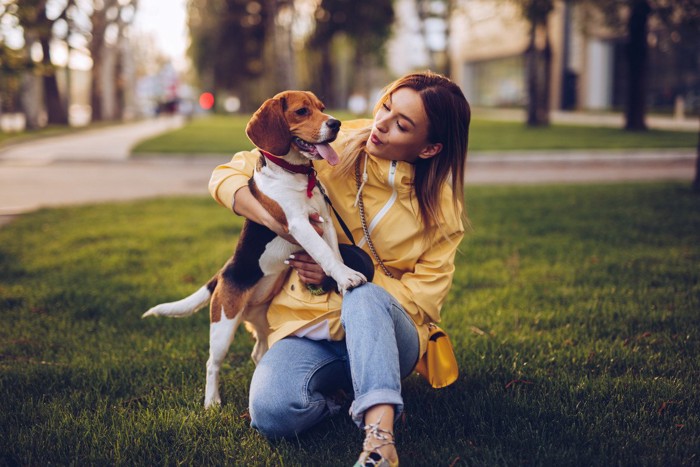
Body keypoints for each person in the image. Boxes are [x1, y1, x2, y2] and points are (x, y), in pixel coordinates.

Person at [208, 71, 470, 466]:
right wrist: (271, 219)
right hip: (308, 327)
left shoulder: (443, 210)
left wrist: (341, 276)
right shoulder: (334, 141)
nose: (381, 124)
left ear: (430, 148)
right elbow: (231, 171)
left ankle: (379, 439)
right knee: (273, 413)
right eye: (385, 106)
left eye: (401, 124)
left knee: (362, 295)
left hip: (391, 336)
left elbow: (424, 302)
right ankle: (342, 398)